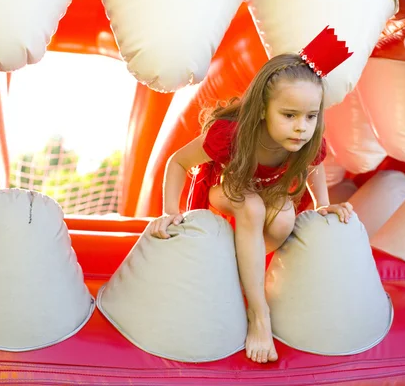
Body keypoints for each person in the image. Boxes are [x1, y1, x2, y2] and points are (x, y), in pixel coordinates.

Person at [150, 27, 355, 364]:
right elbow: (178, 162)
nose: (302, 127)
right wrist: (169, 210)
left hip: (266, 195)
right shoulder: (230, 136)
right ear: (262, 110)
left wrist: (322, 204)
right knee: (252, 206)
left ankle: (238, 268)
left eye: (310, 116)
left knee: (285, 214)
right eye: (289, 116)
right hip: (223, 192)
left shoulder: (307, 140)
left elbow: (314, 165)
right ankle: (259, 315)